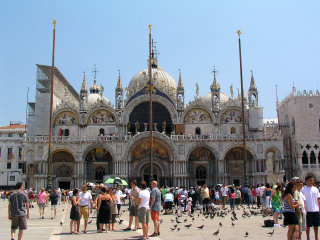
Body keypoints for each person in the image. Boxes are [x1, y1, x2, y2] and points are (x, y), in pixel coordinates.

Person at [302, 175, 320, 240]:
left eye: (313, 180)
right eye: (311, 180)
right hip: (308, 210)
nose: (312, 182)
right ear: (307, 181)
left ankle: (316, 237)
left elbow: (318, 199)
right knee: (308, 225)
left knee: (316, 225)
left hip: (315, 209)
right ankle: (308, 237)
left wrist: (319, 209)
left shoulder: (315, 189)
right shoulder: (303, 189)